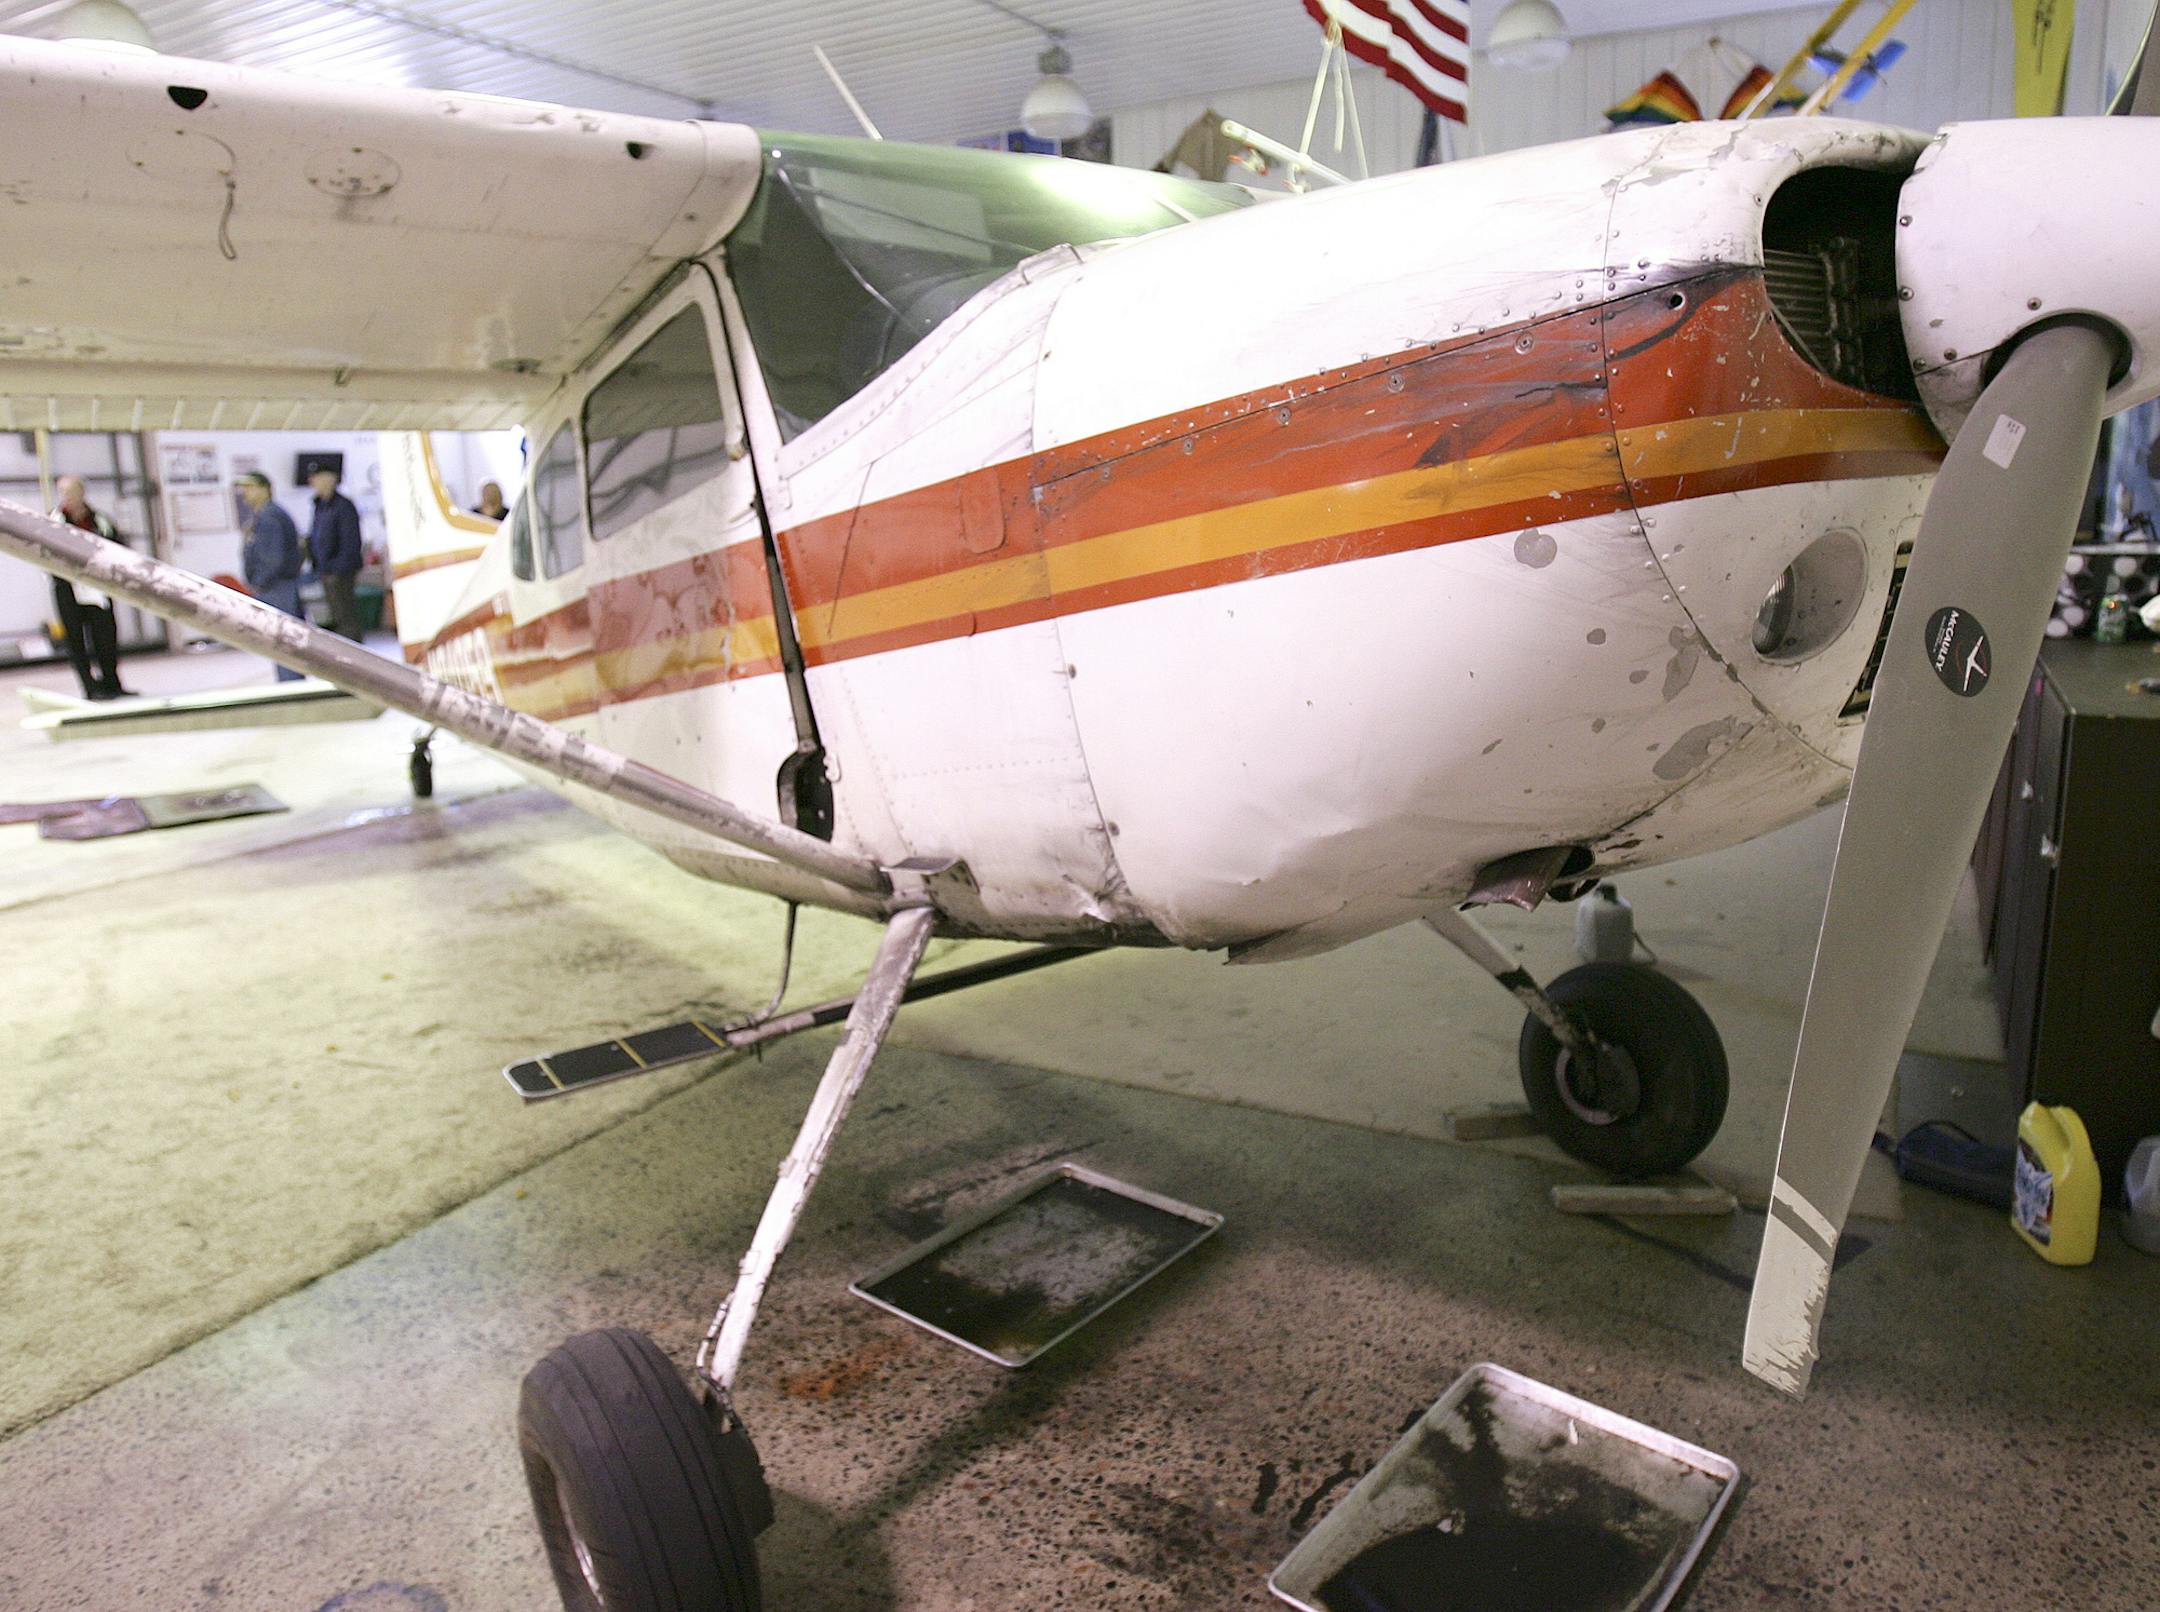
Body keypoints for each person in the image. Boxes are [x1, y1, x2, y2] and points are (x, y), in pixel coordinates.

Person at [48, 474, 133, 700]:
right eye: (64, 492)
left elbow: (118, 548)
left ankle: (111, 682)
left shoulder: (100, 521)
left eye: (72, 492)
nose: (68, 497)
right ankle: (90, 687)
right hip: (68, 588)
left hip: (98, 587)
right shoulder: (53, 521)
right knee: (75, 639)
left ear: (82, 493)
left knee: (105, 636)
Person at [238, 472, 305, 681]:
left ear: (265, 488)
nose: (245, 493)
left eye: (250, 487)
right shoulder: (264, 515)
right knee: (280, 641)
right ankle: (290, 682)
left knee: (283, 639)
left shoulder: (271, 517)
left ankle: (292, 686)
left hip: (277, 587)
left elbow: (273, 558)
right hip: (275, 585)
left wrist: (259, 582)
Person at [306, 466, 365, 640]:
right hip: (325, 571)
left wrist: (338, 569)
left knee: (346, 615)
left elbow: (350, 541)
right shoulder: (320, 506)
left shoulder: (343, 506)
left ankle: (355, 655)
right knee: (336, 616)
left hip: (340, 572)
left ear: (329, 479)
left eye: (317, 478)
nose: (313, 482)